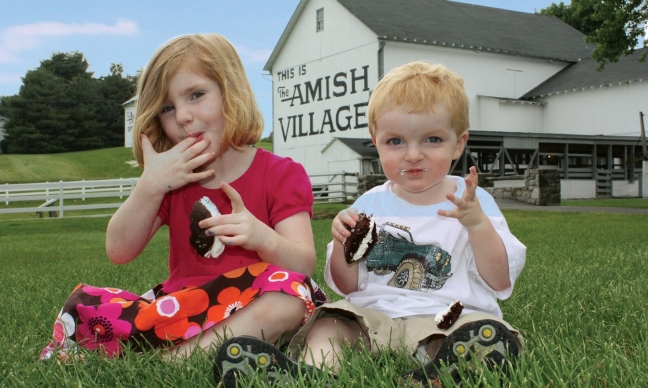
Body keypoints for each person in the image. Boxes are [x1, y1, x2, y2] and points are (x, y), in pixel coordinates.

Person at [213, 62, 526, 386]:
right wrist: (345, 245)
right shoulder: (369, 205)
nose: (413, 154)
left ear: (458, 143)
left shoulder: (472, 201)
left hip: (448, 316)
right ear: (376, 143)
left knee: (468, 336)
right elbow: (347, 286)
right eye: (396, 142)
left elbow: (498, 278)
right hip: (374, 317)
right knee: (329, 325)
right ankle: (309, 374)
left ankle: (438, 374)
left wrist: (476, 225)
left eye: (432, 139)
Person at [40, 33, 327, 361]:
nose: (182, 116)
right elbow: (118, 250)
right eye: (167, 108)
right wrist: (150, 186)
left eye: (196, 95)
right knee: (90, 308)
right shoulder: (171, 181)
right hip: (186, 308)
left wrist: (263, 238)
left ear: (230, 92)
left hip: (259, 305)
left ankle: (175, 362)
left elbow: (303, 266)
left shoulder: (279, 173)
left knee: (289, 298)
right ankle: (206, 351)